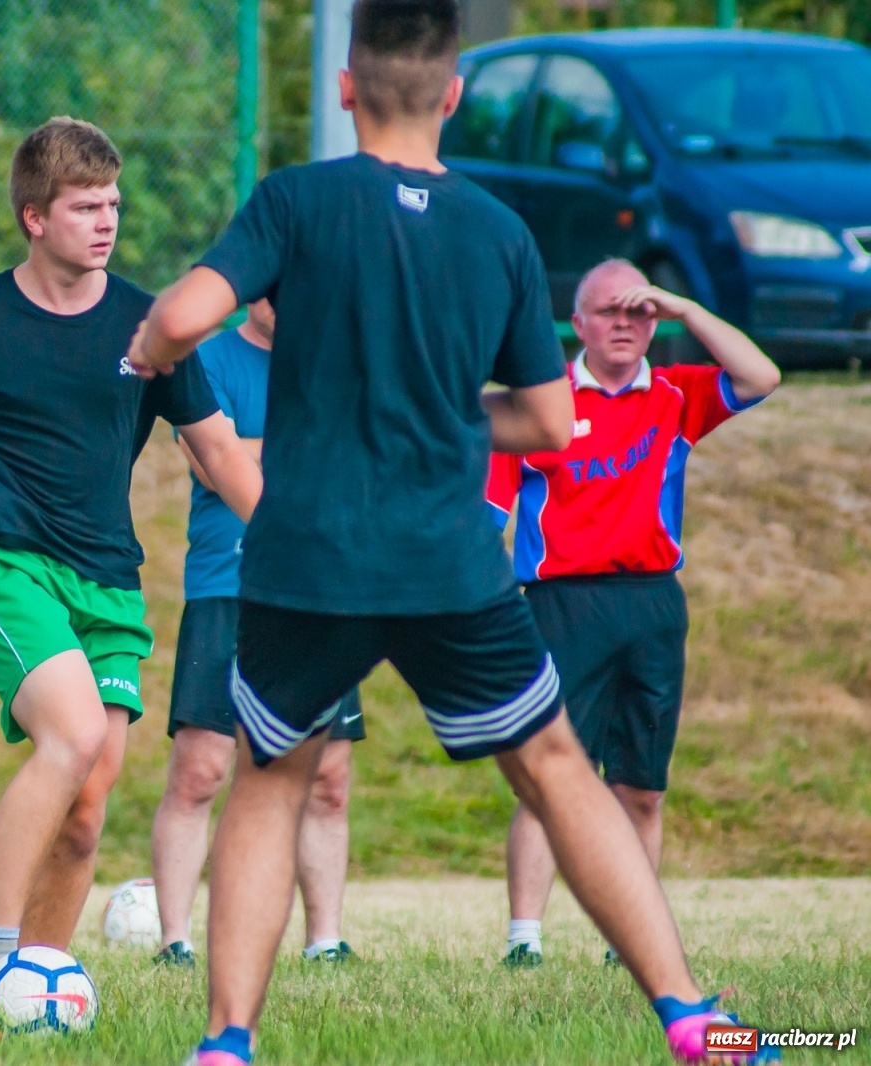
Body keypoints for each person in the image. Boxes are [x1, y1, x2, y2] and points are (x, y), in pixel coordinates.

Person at [125, 1, 778, 1063]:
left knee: (270, 775)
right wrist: (445, 410)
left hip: (309, 559)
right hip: (447, 557)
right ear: (455, 96)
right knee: (559, 767)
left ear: (344, 89)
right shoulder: (498, 230)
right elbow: (551, 423)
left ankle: (226, 1044)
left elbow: (185, 316)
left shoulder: (293, 199)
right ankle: (690, 1017)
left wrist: (152, 346)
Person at [0, 117, 263, 1007]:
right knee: (74, 736)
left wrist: (288, 536)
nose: (107, 221)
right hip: (4, 562)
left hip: (107, 580)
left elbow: (221, 452)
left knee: (86, 814)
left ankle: (20, 995)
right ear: (33, 217)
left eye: (114, 204)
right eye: (86, 206)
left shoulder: (146, 326)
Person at [489, 259, 780, 968]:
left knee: (642, 786)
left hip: (651, 604)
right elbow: (484, 515)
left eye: (640, 314)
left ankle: (633, 941)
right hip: (562, 605)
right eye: (610, 313)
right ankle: (524, 937)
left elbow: (761, 377)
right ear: (578, 323)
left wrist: (686, 308)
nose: (626, 325)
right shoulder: (541, 403)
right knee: (549, 776)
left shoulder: (674, 394)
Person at [151, 297, 364, 969]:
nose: (284, 296)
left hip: (320, 590)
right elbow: (211, 461)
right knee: (200, 770)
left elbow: (360, 460)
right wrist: (304, 448)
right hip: (227, 586)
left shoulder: (335, 362)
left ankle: (325, 941)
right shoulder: (206, 359)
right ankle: (175, 941)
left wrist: (257, 445)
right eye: (274, 284)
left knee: (328, 777)